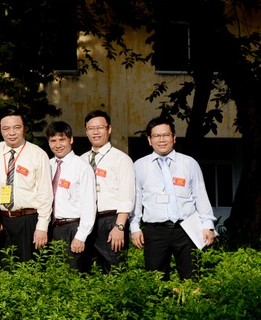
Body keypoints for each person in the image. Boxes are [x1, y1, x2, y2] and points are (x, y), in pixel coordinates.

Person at [130, 116, 215, 279]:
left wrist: (208, 225)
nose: (161, 140)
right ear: (149, 140)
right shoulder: (139, 166)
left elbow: (200, 196)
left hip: (186, 229)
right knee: (155, 281)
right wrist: (134, 227)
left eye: (166, 135)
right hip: (154, 231)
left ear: (174, 137)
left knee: (192, 278)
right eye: (156, 136)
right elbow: (137, 200)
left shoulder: (189, 163)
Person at [0, 109, 53, 265]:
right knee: (1, 267)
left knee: (27, 267)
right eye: (6, 128)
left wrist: (42, 226)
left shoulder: (38, 154)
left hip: (27, 220)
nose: (11, 133)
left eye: (17, 127)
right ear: (0, 130)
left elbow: (45, 193)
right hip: (0, 221)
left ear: (24, 128)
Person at [80, 109, 135, 273]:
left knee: (115, 269)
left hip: (110, 220)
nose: (95, 132)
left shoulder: (121, 159)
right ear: (86, 132)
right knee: (88, 271)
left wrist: (120, 226)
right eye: (91, 128)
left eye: (100, 128)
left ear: (109, 129)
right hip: (87, 221)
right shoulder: (81, 160)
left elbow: (127, 196)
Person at [45, 121, 96, 270]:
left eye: (62, 140)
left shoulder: (82, 167)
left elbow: (89, 204)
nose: (58, 145)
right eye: (53, 140)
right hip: (51, 228)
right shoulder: (47, 165)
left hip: (73, 228)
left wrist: (81, 236)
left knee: (73, 274)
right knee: (52, 274)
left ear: (71, 140)